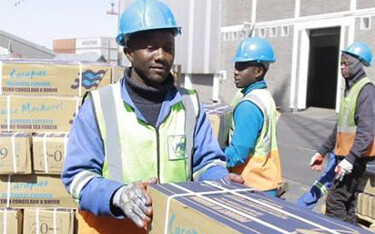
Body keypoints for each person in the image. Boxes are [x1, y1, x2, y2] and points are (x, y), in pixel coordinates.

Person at [61, 0, 242, 233]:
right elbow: (77, 177)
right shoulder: (99, 105)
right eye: (150, 47)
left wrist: (219, 180)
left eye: (168, 47)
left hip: (173, 226)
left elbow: (206, 161)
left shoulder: (189, 104)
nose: (161, 55)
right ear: (129, 52)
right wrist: (117, 195)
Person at [310, 42, 375, 224]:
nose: (342, 67)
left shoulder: (365, 90)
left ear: (358, 64)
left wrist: (351, 159)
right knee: (347, 203)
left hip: (354, 159)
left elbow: (367, 131)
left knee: (336, 201)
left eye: (346, 63)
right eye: (341, 63)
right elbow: (339, 127)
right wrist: (322, 151)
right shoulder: (350, 90)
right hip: (346, 157)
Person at [224, 37, 282, 197]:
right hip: (266, 181)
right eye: (235, 66)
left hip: (251, 184)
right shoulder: (265, 96)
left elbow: (238, 155)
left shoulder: (249, 105)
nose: (236, 71)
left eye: (242, 67)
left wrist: (212, 154)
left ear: (258, 71)